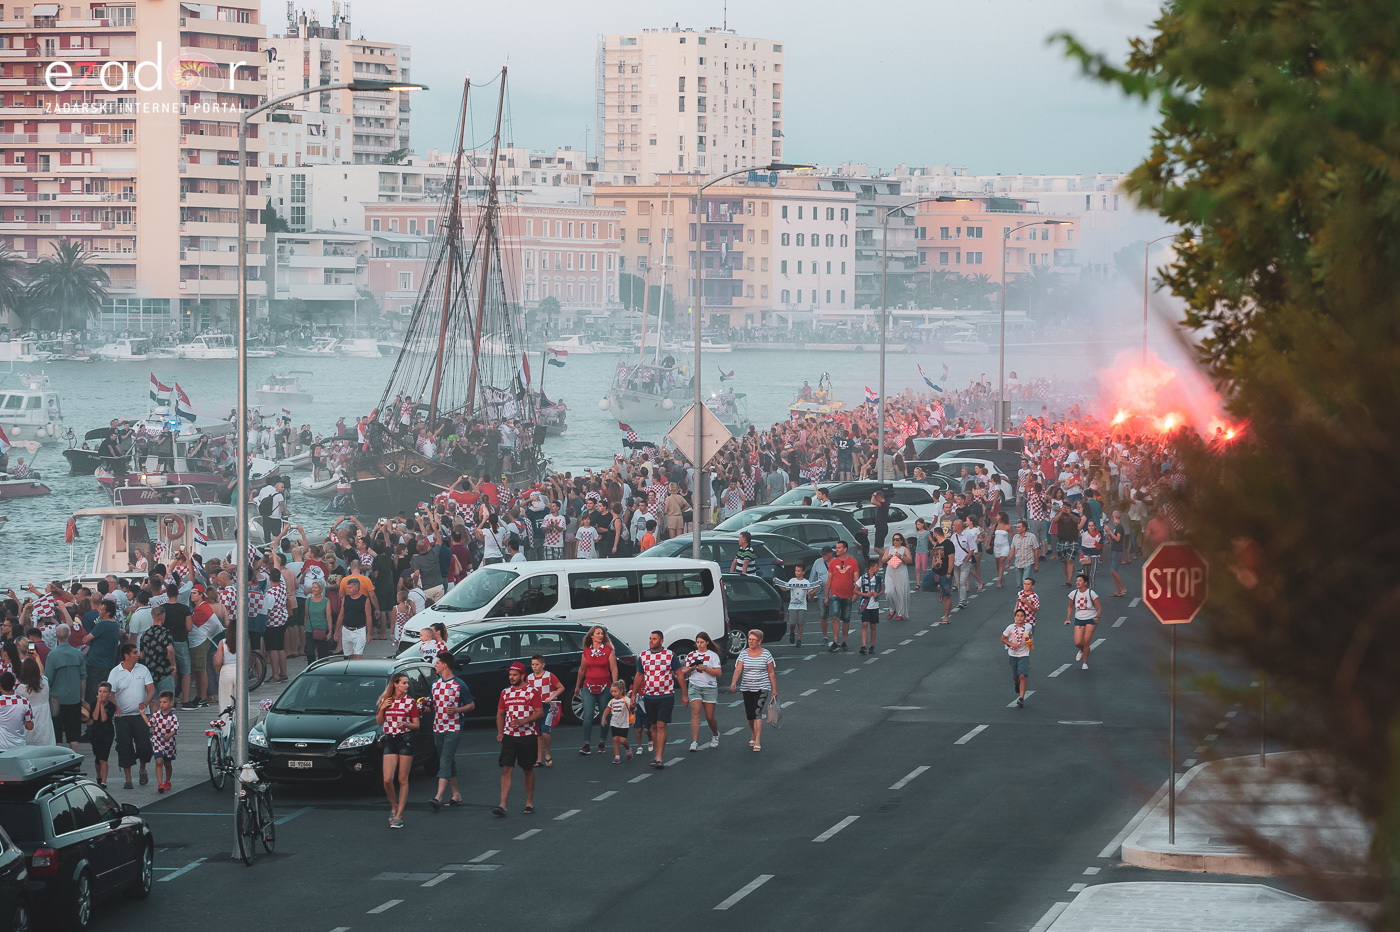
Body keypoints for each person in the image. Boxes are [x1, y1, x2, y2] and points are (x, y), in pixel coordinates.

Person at [494, 662, 543, 817]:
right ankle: (502, 804)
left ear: (522, 675)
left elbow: (539, 712)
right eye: (510, 675)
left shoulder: (532, 692)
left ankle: (529, 802)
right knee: (506, 768)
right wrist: (500, 732)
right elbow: (500, 713)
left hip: (528, 736)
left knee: (527, 769)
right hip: (509, 736)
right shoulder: (505, 692)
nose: (512, 678)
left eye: (515, 675)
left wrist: (523, 721)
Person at [428, 652, 474, 811]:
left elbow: (471, 705)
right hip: (438, 726)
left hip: (453, 727)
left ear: (445, 665)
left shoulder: (459, 684)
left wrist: (457, 709)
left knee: (445, 761)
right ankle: (456, 794)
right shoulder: (435, 684)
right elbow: (432, 703)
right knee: (447, 759)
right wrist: (426, 705)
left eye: (437, 662)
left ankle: (438, 797)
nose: (435, 665)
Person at [632, 630, 682, 769]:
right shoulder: (644, 656)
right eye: (650, 638)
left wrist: (684, 694)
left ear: (661, 641)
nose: (651, 641)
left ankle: (659, 757)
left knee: (661, 724)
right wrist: (633, 695)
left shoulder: (670, 655)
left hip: (666, 695)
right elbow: (639, 676)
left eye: (654, 639)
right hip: (649, 696)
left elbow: (679, 674)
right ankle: (656, 754)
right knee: (653, 726)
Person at [376, 672, 419, 829]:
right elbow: (379, 721)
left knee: (402, 779)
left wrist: (406, 725)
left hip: (405, 739)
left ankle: (399, 814)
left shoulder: (410, 702)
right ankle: (394, 805)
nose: (407, 685)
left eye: (407, 683)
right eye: (404, 683)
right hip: (390, 739)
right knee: (387, 779)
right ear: (395, 684)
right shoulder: (385, 700)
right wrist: (382, 708)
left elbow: (416, 724)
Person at [108, 644, 154, 789]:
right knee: (124, 746)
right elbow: (110, 693)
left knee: (144, 745)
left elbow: (151, 689)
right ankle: (128, 778)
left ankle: (142, 768)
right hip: (123, 717)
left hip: (141, 715)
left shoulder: (143, 669)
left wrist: (145, 702)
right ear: (126, 655)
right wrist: (117, 707)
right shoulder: (115, 672)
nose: (138, 655)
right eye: (134, 653)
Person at [728, 630, 776, 752]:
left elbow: (771, 672)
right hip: (747, 687)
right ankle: (753, 733)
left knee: (757, 712)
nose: (750, 641)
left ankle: (758, 740)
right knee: (750, 716)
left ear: (759, 641)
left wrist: (774, 689)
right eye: (749, 639)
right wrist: (734, 682)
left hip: (762, 687)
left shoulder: (766, 654)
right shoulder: (743, 654)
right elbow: (738, 669)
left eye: (753, 640)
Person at [574, 625, 618, 755]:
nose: (600, 636)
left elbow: (614, 668)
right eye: (598, 633)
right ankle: (586, 743)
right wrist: (577, 686)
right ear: (591, 636)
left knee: (604, 715)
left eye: (602, 634)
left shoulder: (609, 651)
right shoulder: (586, 652)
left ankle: (602, 741)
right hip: (588, 685)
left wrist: (615, 685)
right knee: (588, 714)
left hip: (605, 685)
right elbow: (582, 670)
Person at [45, 624, 85, 750]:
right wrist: (82, 696)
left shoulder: (52, 655)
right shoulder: (77, 654)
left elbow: (48, 678)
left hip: (56, 698)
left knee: (57, 734)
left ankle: (60, 763)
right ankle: (76, 762)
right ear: (69, 635)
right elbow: (83, 677)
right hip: (74, 697)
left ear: (56, 636)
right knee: (73, 735)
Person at [682, 632, 721, 751]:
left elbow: (718, 673)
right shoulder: (691, 655)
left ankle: (715, 734)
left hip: (709, 687)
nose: (699, 645)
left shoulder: (713, 655)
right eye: (698, 642)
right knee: (695, 713)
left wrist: (705, 668)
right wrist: (690, 669)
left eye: (702, 642)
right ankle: (694, 741)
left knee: (709, 717)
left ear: (707, 642)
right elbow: (684, 671)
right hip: (695, 686)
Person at [526, 654, 563, 768]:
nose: (535, 667)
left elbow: (561, 687)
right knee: (538, 733)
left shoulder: (549, 676)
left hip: (549, 706)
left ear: (543, 665)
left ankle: (547, 753)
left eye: (537, 664)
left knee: (545, 732)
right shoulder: (529, 678)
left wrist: (552, 697)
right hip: (537, 708)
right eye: (533, 664)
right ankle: (539, 758)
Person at [825, 541, 859, 653]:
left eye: (839, 548)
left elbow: (856, 580)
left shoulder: (853, 562)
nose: (837, 550)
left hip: (848, 594)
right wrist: (826, 595)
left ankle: (844, 641)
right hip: (835, 593)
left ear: (845, 549)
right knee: (834, 616)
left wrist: (855, 593)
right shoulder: (833, 563)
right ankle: (835, 641)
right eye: (836, 548)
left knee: (846, 619)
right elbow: (829, 579)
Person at [773, 565, 818, 648]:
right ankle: (792, 632)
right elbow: (786, 588)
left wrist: (817, 586)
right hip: (792, 606)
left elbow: (810, 592)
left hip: (802, 606)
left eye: (799, 571)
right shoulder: (792, 580)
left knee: (800, 623)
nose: (797, 572)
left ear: (803, 572)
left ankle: (799, 640)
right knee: (792, 623)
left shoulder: (806, 582)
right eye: (796, 571)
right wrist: (778, 584)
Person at [1064, 573, 1101, 671]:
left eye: (1080, 581)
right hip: (1079, 619)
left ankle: (1085, 662)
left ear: (1085, 583)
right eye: (1076, 581)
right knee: (1077, 642)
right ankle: (1081, 650)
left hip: (1091, 618)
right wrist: (1068, 618)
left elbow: (1098, 607)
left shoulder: (1091, 593)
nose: (1077, 583)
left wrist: (1097, 616)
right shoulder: (1073, 594)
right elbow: (1070, 606)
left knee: (1086, 641)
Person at [146, 690, 180, 793]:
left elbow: (175, 729)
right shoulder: (156, 715)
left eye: (165, 702)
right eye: (160, 702)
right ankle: (159, 783)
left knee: (168, 763)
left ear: (170, 703)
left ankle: (167, 780)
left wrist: (169, 735)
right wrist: (143, 714)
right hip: (156, 741)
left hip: (169, 744)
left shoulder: (172, 717)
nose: (162, 704)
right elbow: (150, 724)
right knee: (159, 761)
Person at [1001, 609, 1035, 707]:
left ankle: (1021, 698)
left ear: (1025, 618)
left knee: (1022, 675)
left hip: (1024, 654)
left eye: (1021, 616)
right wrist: (1011, 644)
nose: (1019, 618)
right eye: (1018, 616)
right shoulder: (1010, 628)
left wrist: (1030, 642)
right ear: (1015, 618)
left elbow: (1031, 637)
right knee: (1016, 676)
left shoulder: (1028, 627)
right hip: (1013, 654)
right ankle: (1017, 683)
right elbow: (1002, 638)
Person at [88, 682, 117, 787]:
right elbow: (95, 717)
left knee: (103, 758)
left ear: (109, 694)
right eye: (100, 691)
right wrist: (98, 703)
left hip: (107, 733)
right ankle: (98, 775)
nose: (102, 694)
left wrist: (102, 705)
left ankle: (104, 781)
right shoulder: (92, 703)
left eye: (104, 692)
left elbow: (104, 718)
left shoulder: (112, 706)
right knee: (97, 758)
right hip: (96, 733)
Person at [17, 659, 51, 747]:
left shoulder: (21, 689)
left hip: (28, 727)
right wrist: (37, 656)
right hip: (45, 728)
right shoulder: (45, 684)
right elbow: (42, 672)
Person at [337, 577, 371, 659]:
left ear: (357, 588)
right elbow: (341, 614)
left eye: (350, 587)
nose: (348, 590)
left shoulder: (365, 600)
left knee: (357, 655)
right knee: (347, 655)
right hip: (346, 630)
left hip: (359, 630)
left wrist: (369, 633)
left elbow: (368, 616)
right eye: (347, 587)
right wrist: (336, 630)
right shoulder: (346, 598)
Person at [0, 672, 34, 751]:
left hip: (2, 747)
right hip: (19, 747)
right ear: (14, 684)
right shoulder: (24, 702)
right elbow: (30, 726)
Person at [857, 561, 885, 655]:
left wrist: (878, 594)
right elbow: (855, 590)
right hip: (865, 604)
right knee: (864, 624)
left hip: (874, 605)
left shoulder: (878, 578)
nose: (878, 568)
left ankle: (872, 645)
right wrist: (864, 594)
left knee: (873, 625)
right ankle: (864, 645)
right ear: (871, 567)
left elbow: (882, 589)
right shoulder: (863, 578)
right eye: (876, 567)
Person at [303, 580, 334, 663]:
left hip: (322, 629)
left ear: (320, 589)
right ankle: (311, 669)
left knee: (322, 654)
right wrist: (305, 628)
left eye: (316, 587)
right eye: (313, 587)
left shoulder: (326, 601)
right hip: (310, 629)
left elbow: (329, 616)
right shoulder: (308, 600)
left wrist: (330, 631)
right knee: (309, 652)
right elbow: (306, 615)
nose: (314, 589)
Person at [929, 526, 955, 626]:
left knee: (947, 595)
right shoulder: (937, 545)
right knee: (925, 586)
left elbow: (951, 559)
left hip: (945, 574)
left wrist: (949, 572)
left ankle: (946, 616)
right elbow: (934, 558)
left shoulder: (948, 543)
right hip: (936, 572)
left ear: (936, 534)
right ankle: (939, 590)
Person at [883, 533, 911, 621]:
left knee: (900, 593)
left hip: (901, 572)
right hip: (890, 572)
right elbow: (883, 559)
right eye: (894, 540)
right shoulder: (889, 549)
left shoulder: (904, 549)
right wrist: (888, 557)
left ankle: (900, 613)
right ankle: (892, 608)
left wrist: (901, 557)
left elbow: (910, 560)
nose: (895, 541)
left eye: (897, 539)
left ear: (901, 541)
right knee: (889, 592)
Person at [212, 625, 239, 714]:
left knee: (225, 700)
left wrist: (219, 669)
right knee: (240, 700)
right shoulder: (244, 642)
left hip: (226, 670)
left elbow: (218, 661)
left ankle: (226, 724)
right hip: (239, 670)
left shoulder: (222, 643)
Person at [604, 681, 633, 763]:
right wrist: (603, 718)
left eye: (615, 691)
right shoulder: (612, 701)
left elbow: (632, 704)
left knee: (623, 740)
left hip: (624, 723)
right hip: (614, 723)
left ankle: (628, 748)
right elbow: (607, 709)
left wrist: (633, 702)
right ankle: (617, 757)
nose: (613, 693)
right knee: (615, 740)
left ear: (621, 691)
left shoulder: (625, 699)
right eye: (612, 692)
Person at [1010, 520, 1040, 586]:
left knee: (1025, 581)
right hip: (1018, 563)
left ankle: (1026, 595)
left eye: (1019, 527)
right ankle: (1020, 594)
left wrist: (1036, 564)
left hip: (1028, 562)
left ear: (1024, 528)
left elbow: (1036, 550)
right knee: (1019, 583)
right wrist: (1008, 562)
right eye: (1017, 527)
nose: (1017, 529)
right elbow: (1012, 550)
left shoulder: (1031, 537)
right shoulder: (1015, 537)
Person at [992, 514, 1014, 588]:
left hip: (1004, 546)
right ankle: (1001, 576)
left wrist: (1014, 546)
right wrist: (988, 544)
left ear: (1001, 517)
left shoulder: (1008, 526)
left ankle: (999, 581)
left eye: (997, 516)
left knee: (1001, 561)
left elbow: (1013, 536)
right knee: (998, 563)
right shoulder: (995, 526)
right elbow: (991, 535)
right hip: (996, 546)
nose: (996, 517)